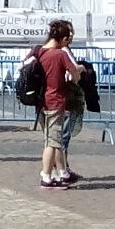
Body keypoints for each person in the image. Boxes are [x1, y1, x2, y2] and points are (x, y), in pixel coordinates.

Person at [30, 19, 82, 190]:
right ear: (64, 39)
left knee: (54, 138)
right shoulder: (60, 54)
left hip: (40, 101)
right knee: (51, 142)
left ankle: (62, 172)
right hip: (55, 100)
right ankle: (46, 175)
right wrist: (79, 70)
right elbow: (75, 77)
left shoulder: (37, 50)